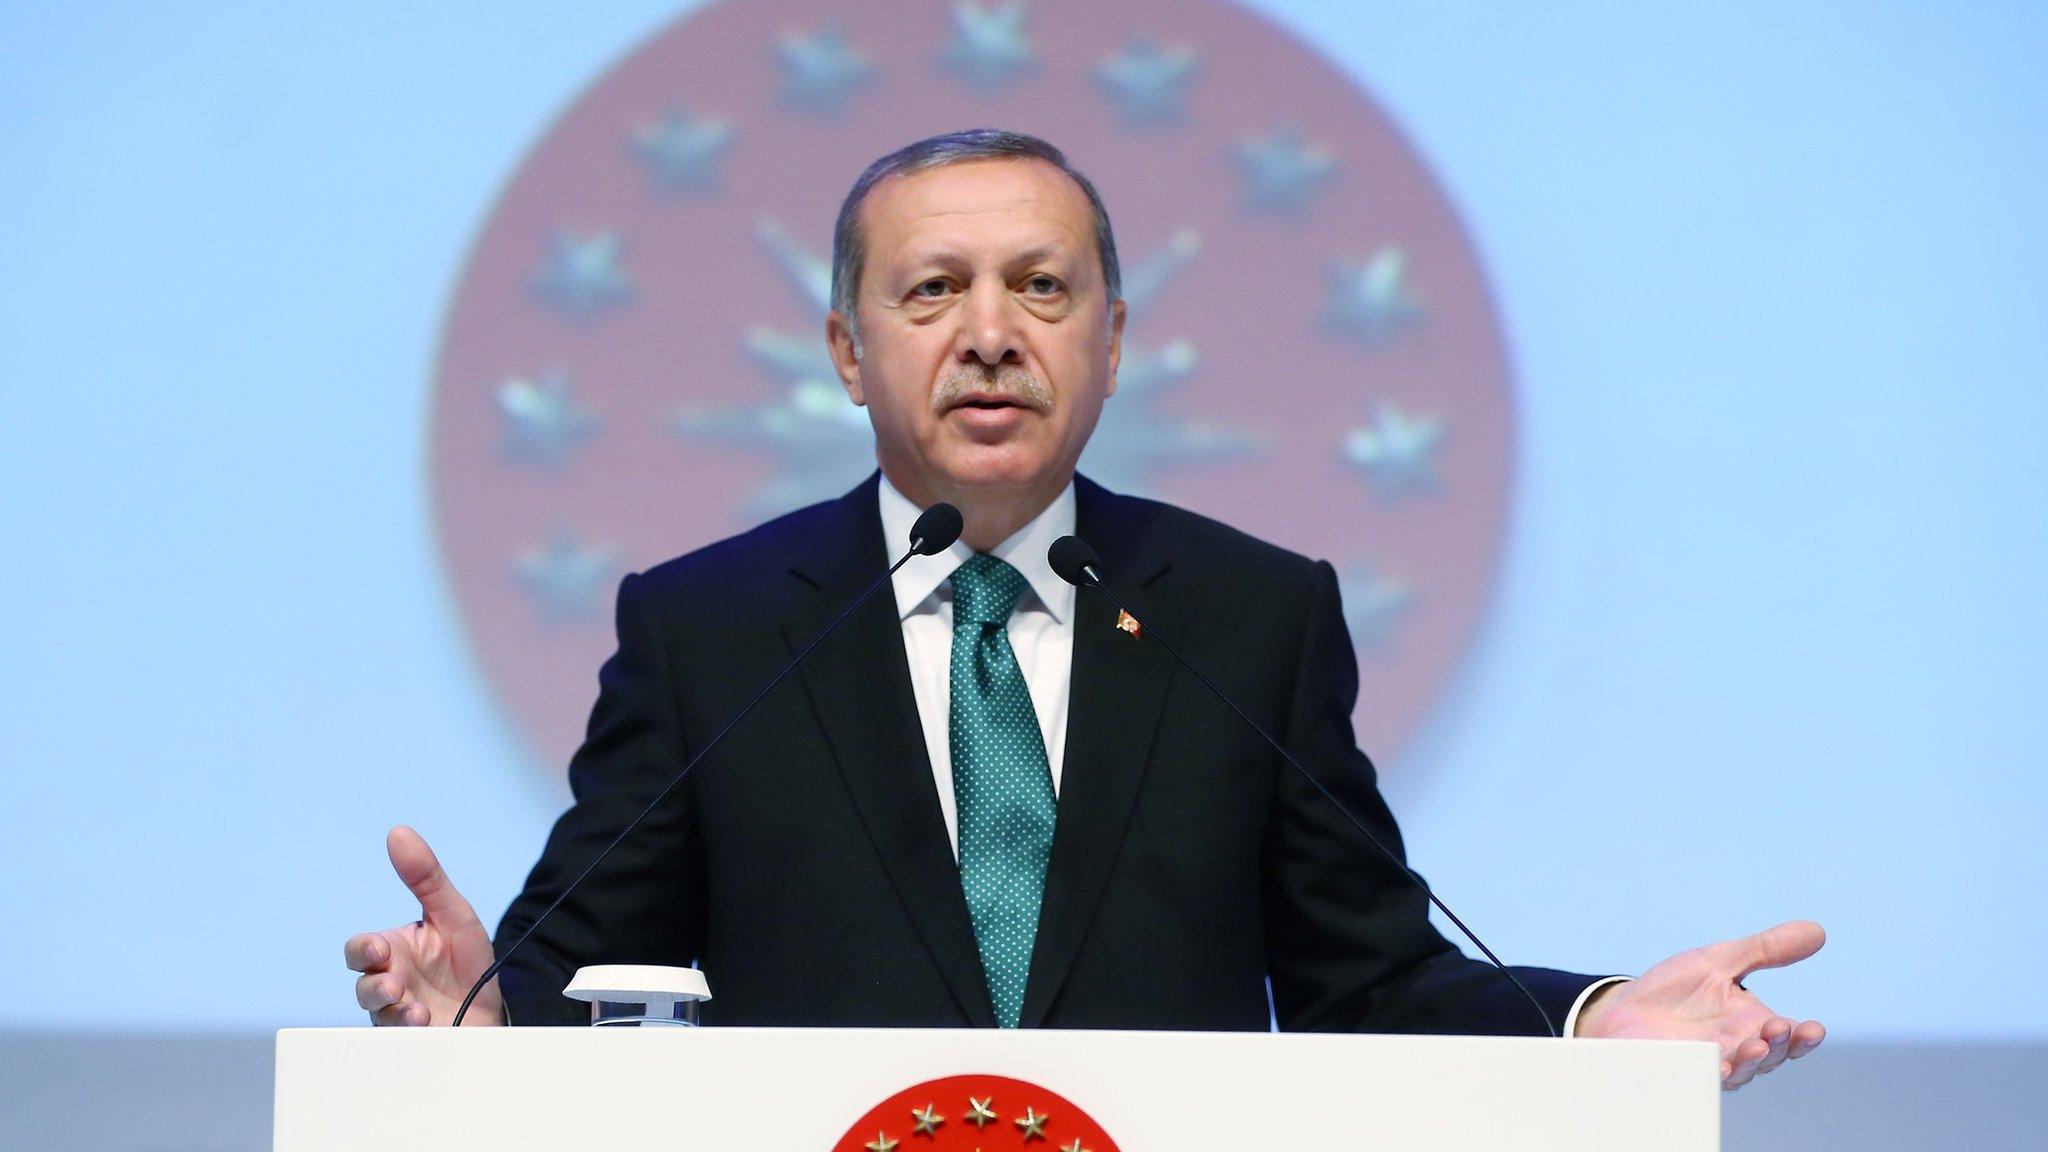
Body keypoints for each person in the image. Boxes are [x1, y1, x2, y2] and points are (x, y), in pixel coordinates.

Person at [346, 129, 1825, 1089]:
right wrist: (482, 1009)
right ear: (848, 356)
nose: (990, 335)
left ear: (1112, 343)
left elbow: (1366, 982)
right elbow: (576, 970)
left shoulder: (1251, 615)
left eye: (1042, 289)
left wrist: (1596, 1023)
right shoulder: (712, 628)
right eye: (932, 292)